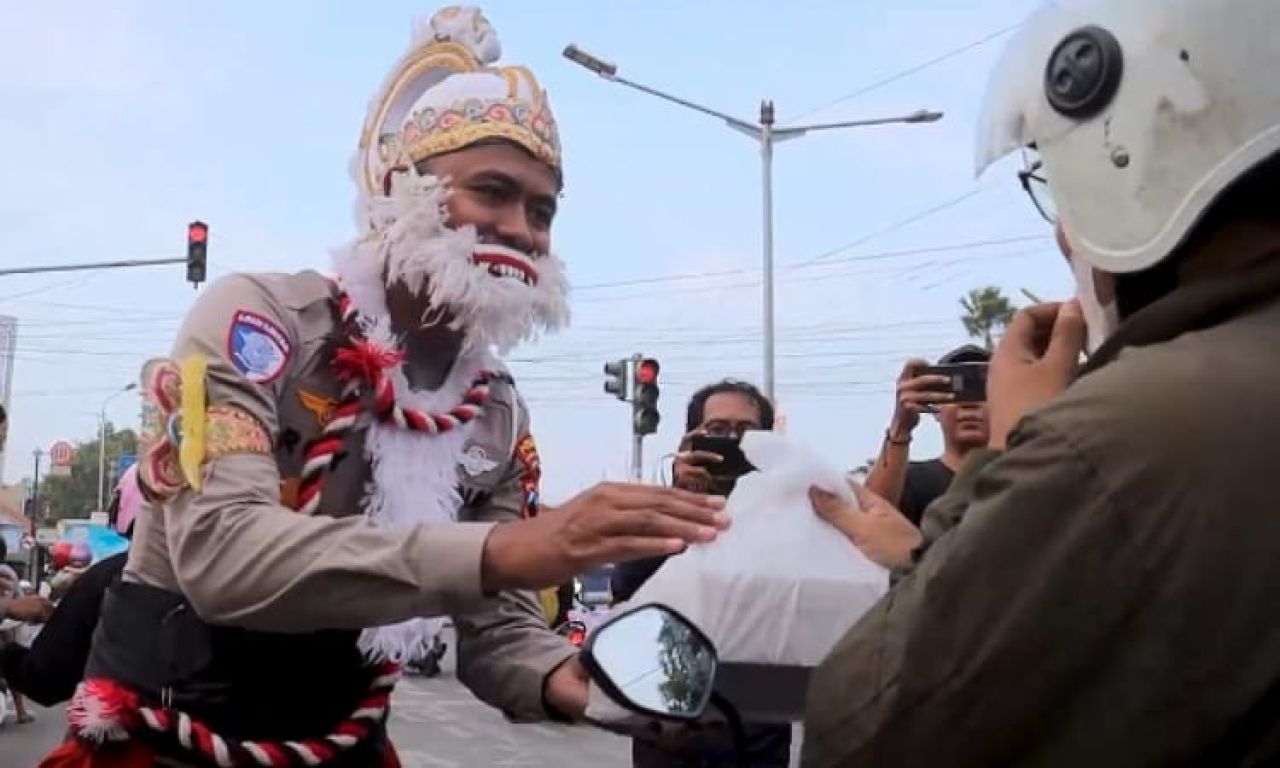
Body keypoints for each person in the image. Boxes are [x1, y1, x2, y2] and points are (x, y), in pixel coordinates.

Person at [45, 8, 726, 767]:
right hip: (164, 736)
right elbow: (223, 558)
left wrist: (580, 682)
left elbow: (496, 628)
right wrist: (511, 549)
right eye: (492, 192)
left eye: (543, 209)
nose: (523, 230)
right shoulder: (259, 320)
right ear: (403, 189)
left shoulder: (493, 410)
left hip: (341, 742)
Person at [803, 0, 1280, 764]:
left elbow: (863, 725)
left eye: (1062, 190)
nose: (1064, 235)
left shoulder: (1122, 436)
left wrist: (1015, 446)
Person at [613, 379, 790, 768]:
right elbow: (627, 588)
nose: (732, 440)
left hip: (758, 725)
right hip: (670, 720)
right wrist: (681, 498)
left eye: (746, 431)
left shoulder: (789, 512)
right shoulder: (661, 511)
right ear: (692, 439)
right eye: (718, 430)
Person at [2, 467, 138, 707]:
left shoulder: (107, 579)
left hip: (128, 731)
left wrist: (5, 653)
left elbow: (45, 678)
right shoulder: (222, 582)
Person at [864, 345, 990, 526]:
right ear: (936, 408)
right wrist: (901, 425)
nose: (969, 403)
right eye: (956, 390)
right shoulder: (911, 480)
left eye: (981, 390)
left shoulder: (1020, 478)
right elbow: (869, 519)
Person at [0, 537, 53, 724]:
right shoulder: (7, 573)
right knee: (11, 664)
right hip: (6, 629)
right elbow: (19, 600)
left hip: (6, 626)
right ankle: (21, 711)